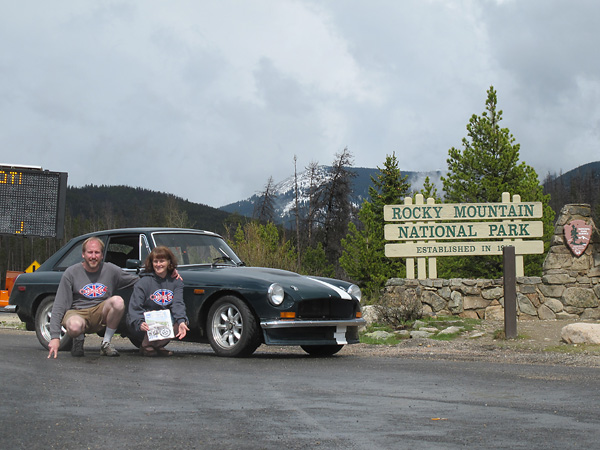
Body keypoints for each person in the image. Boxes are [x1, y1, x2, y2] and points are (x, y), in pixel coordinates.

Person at [47, 236, 139, 358]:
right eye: (90, 252)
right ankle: (78, 340)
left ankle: (106, 343)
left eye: (97, 252)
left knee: (118, 301)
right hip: (77, 312)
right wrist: (54, 337)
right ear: (83, 254)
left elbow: (138, 281)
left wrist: (165, 276)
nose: (93, 256)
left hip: (100, 311)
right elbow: (59, 305)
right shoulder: (71, 272)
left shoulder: (111, 270)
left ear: (102, 255)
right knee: (74, 326)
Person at [127, 246, 189, 357]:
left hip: (164, 320)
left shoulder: (176, 282)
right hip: (144, 321)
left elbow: (178, 304)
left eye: (162, 261)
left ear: (169, 262)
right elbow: (135, 306)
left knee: (181, 321)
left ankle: (150, 345)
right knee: (150, 321)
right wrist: (139, 322)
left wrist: (181, 321)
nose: (158, 264)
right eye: (155, 261)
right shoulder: (143, 282)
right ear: (151, 263)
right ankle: (149, 345)